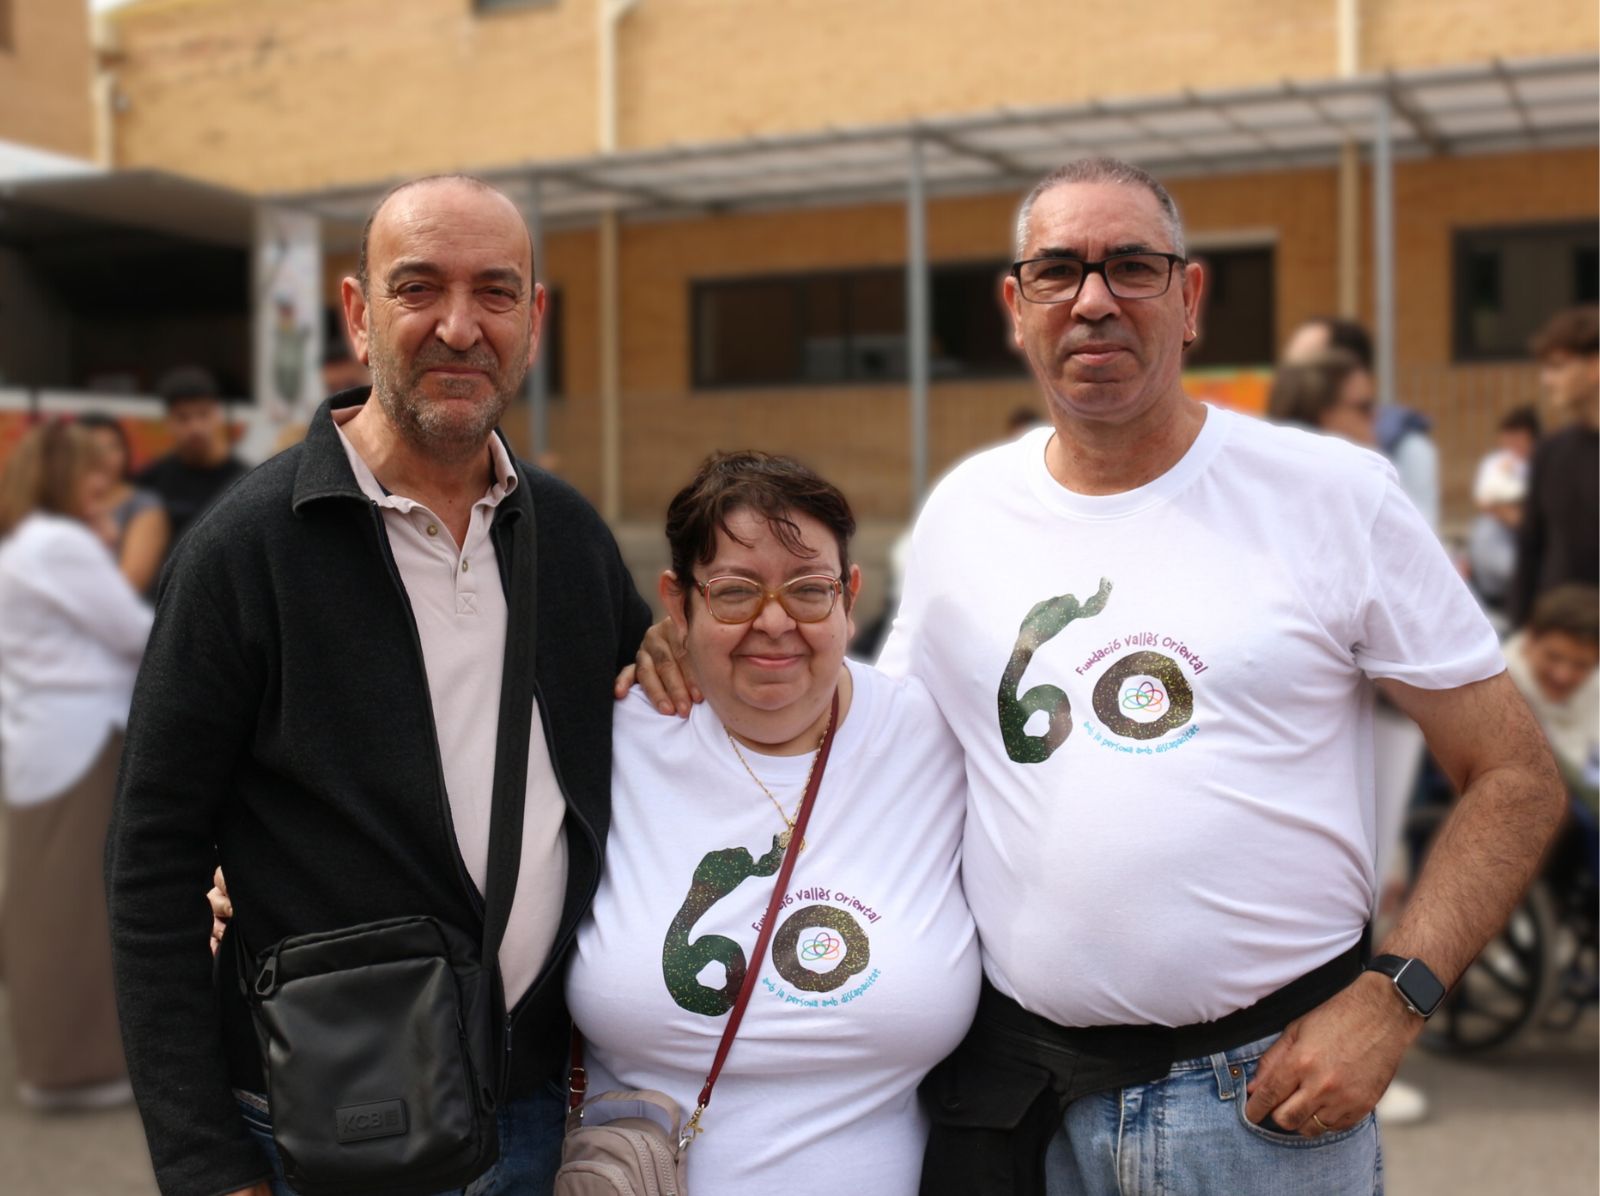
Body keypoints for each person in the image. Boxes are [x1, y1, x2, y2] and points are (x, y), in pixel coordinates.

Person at [634, 157, 1565, 1194]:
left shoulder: (1333, 496)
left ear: (1189, 297)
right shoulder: (967, 513)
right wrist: (692, 647)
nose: (1093, 300)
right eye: (1058, 271)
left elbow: (1515, 774)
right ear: (1016, 306)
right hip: (1020, 1105)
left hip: (1263, 1105)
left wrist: (1393, 999)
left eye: (1131, 265)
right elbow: (871, 734)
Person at [105, 175, 652, 1196]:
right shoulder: (245, 551)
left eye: (495, 292)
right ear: (359, 314)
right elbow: (151, 863)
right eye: (419, 288)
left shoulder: (568, 537)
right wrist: (202, 1158)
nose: (460, 326)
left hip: (534, 1113)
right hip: (325, 1127)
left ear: (533, 321)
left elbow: (644, 712)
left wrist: (678, 654)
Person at [565, 450, 979, 1194]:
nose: (776, 621)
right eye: (735, 592)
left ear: (851, 596)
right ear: (677, 603)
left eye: (809, 590)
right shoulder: (607, 742)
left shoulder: (937, 735)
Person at [0, 421, 153, 1111]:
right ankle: (75, 1069)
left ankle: (55, 1059)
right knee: (74, 913)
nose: (105, 486)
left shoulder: (28, 544)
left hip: (44, 742)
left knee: (46, 904)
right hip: (83, 738)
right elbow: (134, 630)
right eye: (93, 475)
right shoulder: (60, 545)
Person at [1284, 314, 1439, 530]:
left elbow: (1419, 537)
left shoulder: (1405, 449)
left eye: (1304, 367)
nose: (1287, 381)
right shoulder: (1277, 460)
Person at [1510, 305, 1599, 626]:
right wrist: (1522, 628)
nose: (1546, 381)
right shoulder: (1550, 451)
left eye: (1557, 367)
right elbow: (1530, 549)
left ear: (1595, 366)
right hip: (1556, 636)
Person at [1503, 584, 1599, 800]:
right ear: (1530, 640)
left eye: (1581, 665)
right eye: (1553, 657)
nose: (1563, 675)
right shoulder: (1495, 688)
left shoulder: (1595, 686)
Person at [135, 366, 249, 545]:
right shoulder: (151, 480)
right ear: (168, 421)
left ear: (218, 415)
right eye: (183, 418)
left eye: (203, 415)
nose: (195, 428)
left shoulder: (244, 479)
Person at [77, 412, 171, 595]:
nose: (104, 457)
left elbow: (129, 585)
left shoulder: (144, 505)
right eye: (92, 448)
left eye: (112, 447)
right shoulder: (59, 503)